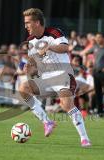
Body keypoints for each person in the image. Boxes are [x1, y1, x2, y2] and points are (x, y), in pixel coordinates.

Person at [19, 8, 91, 147]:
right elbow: (34, 63)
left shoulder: (54, 32)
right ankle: (47, 122)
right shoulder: (30, 40)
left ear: (37, 22)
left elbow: (65, 48)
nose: (26, 26)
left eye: (28, 23)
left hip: (63, 75)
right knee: (23, 88)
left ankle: (84, 138)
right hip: (46, 77)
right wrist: (29, 68)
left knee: (66, 104)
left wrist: (49, 47)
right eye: (25, 23)